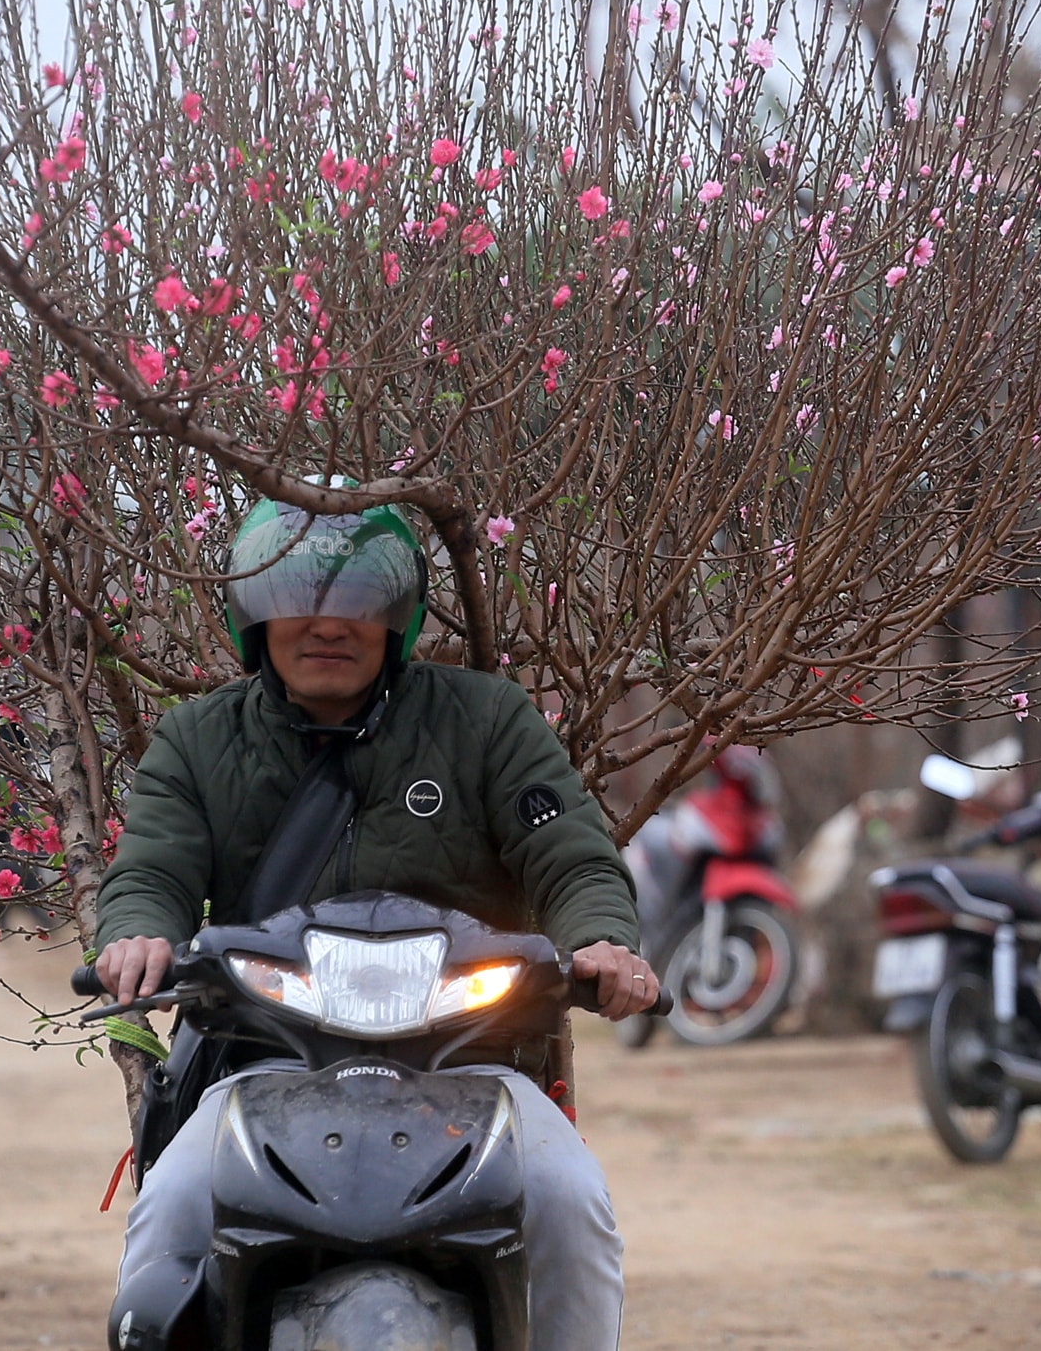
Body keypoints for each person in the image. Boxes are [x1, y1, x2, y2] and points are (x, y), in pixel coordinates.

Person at [94, 497, 659, 1351]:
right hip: (261, 1068)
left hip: (476, 1066)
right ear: (253, 610)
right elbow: (151, 869)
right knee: (167, 1212)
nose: (329, 622)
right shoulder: (195, 739)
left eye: (360, 597)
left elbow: (574, 858)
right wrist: (138, 931)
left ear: (398, 614)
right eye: (297, 596)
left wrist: (603, 941)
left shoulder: (490, 720)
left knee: (570, 1201)